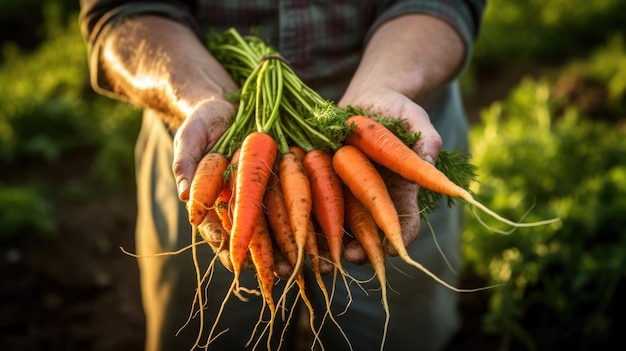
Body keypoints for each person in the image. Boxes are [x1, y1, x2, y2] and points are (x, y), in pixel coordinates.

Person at [79, 1, 485, 350]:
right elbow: (122, 9)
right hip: (208, 136)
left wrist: (386, 84)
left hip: (382, 121)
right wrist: (201, 96)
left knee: (398, 334)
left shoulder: (361, 142)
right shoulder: (225, 146)